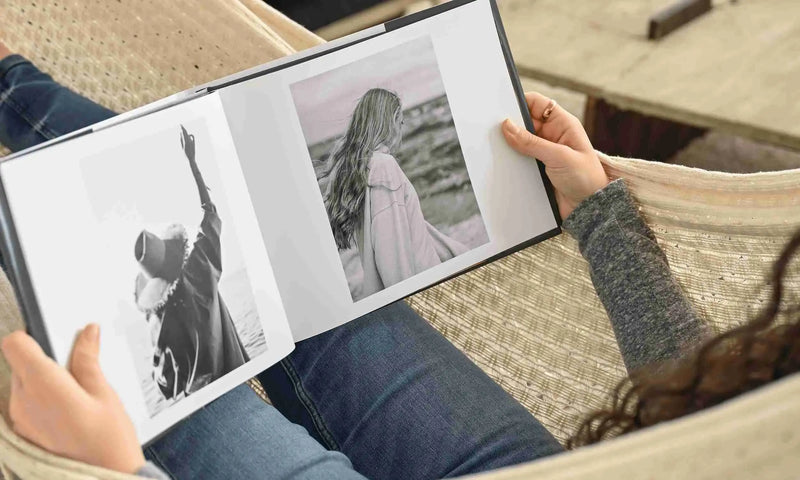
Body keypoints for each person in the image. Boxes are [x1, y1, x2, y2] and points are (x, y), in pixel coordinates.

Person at [0, 46, 797, 480]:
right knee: (273, 260)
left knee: (164, 381)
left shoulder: (376, 174)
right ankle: (12, 83)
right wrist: (599, 211)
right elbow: (716, 406)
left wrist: (119, 474)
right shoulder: (378, 173)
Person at [133, 125, 249, 402]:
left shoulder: (160, 321)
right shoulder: (198, 270)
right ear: (172, 253)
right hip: (239, 375)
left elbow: (167, 387)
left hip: (202, 402)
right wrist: (193, 163)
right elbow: (210, 214)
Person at [323, 88, 467, 298]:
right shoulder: (383, 166)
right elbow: (391, 253)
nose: (402, 131)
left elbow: (408, 233)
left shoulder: (361, 169)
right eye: (400, 123)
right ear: (389, 122)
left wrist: (455, 253)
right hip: (425, 290)